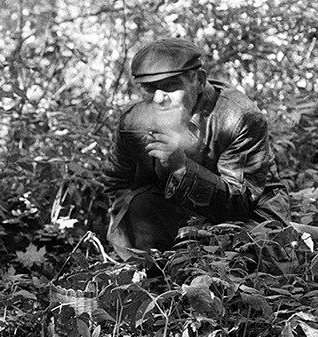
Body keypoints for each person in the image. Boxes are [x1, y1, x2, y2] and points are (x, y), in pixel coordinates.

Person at [103, 37, 290, 259]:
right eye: (149, 89)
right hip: (176, 211)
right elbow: (117, 184)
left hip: (249, 212)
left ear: (199, 81)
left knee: (250, 257)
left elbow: (242, 203)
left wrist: (181, 168)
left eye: (171, 87)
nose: (160, 99)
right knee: (137, 210)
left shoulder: (238, 117)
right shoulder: (132, 122)